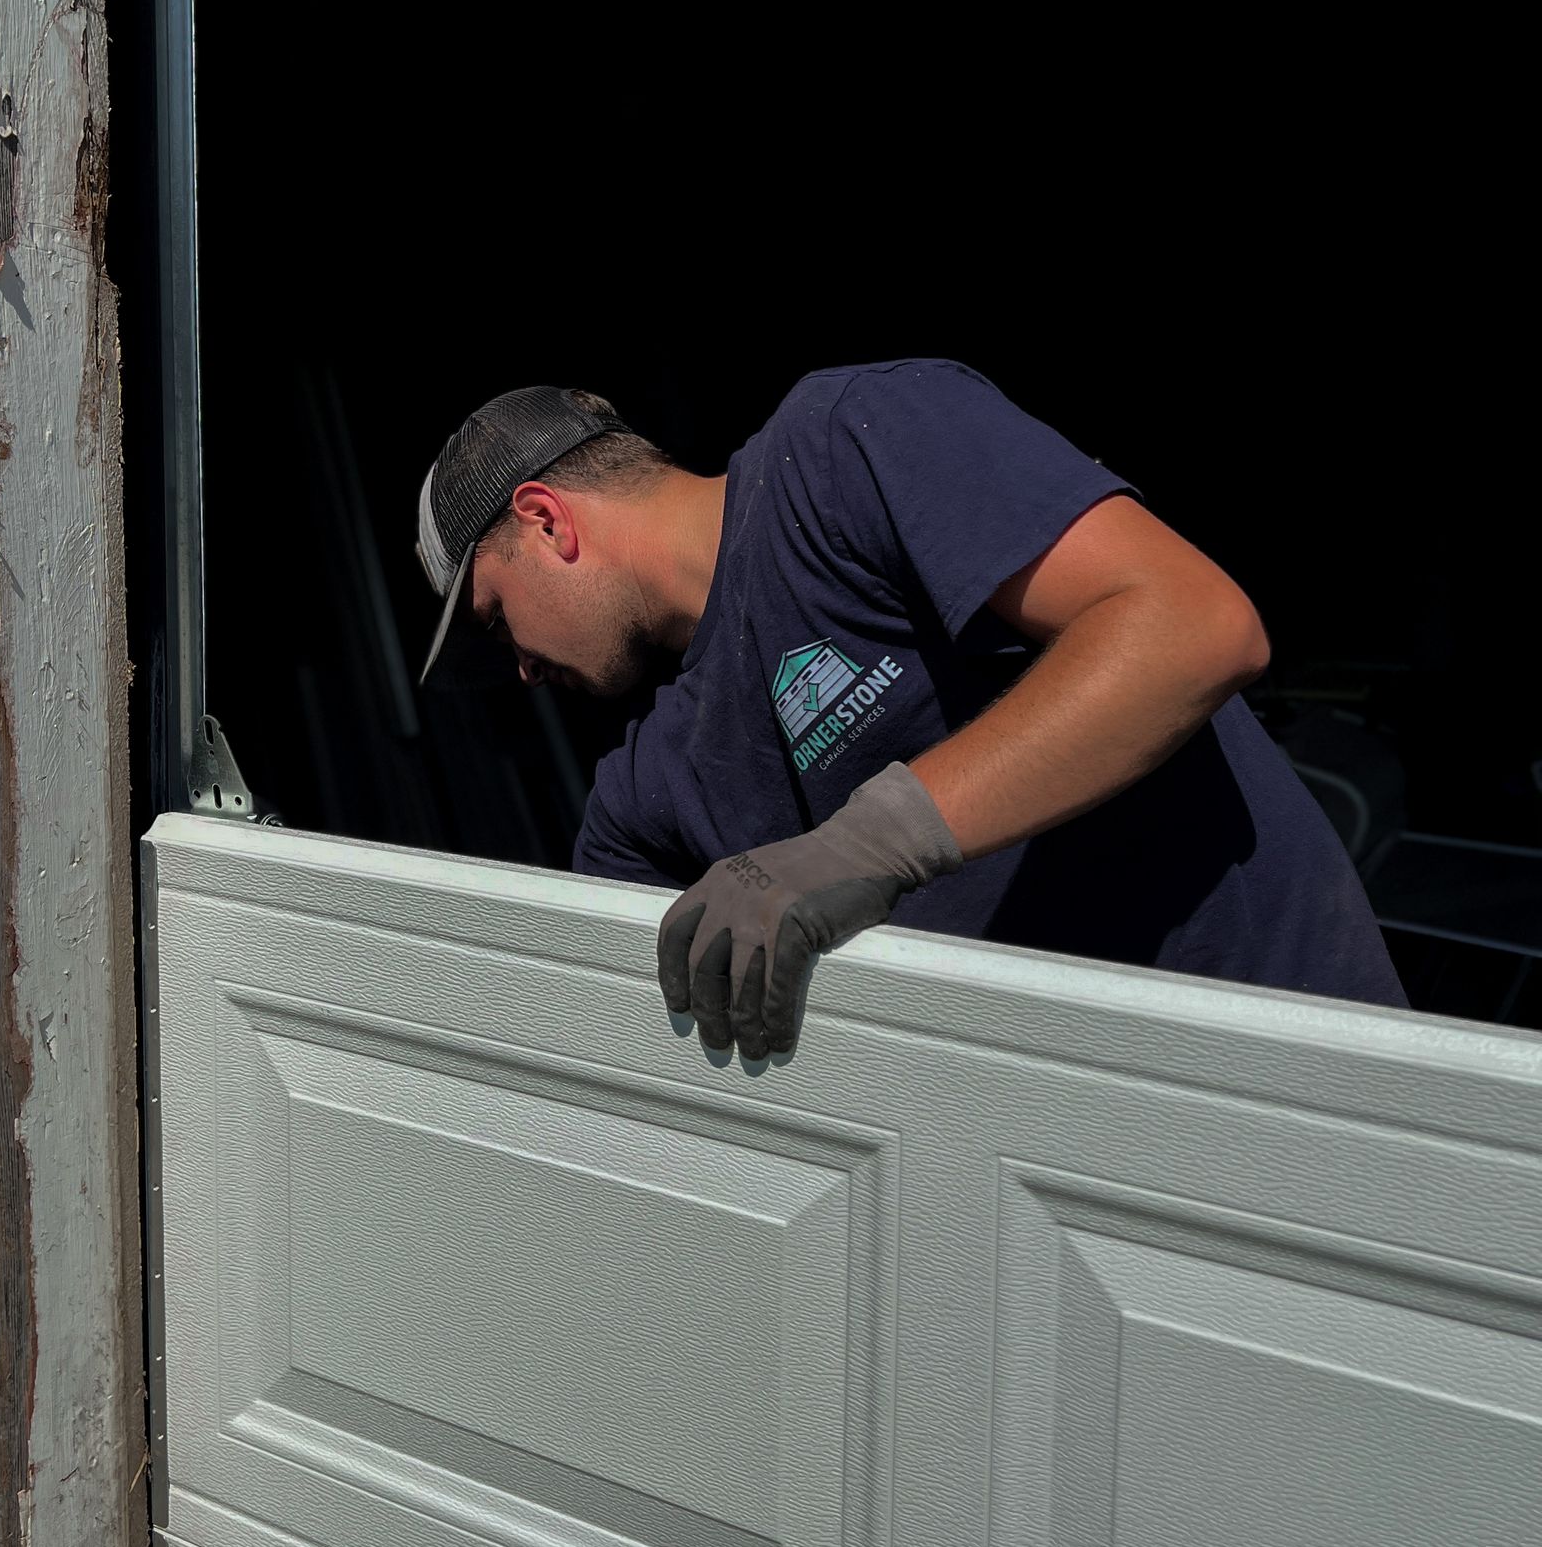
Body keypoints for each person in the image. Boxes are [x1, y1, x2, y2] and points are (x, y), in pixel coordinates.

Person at [415, 365, 1407, 1057]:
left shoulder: (849, 446)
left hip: (1299, 1090)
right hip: (1066, 1211)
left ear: (548, 522)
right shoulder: (642, 802)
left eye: (498, 623)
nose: (519, 673)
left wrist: (867, 846)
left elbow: (1193, 626)